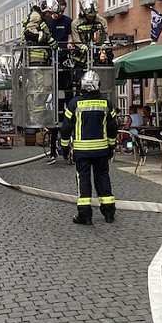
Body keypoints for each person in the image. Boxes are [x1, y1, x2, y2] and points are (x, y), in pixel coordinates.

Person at [60, 70, 118, 225]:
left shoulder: (74, 104)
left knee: (84, 181)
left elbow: (66, 128)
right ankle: (109, 213)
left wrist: (64, 148)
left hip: (82, 152)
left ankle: (85, 215)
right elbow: (113, 128)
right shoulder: (106, 103)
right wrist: (111, 146)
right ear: (98, 85)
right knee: (103, 178)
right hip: (101, 150)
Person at [43, 0, 74, 165]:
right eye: (58, 11)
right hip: (51, 61)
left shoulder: (67, 21)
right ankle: (53, 151)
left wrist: (69, 44)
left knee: (67, 103)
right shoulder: (47, 21)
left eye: (62, 11)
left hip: (63, 60)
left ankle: (68, 150)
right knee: (54, 115)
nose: (60, 13)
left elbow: (70, 36)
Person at [71, 0, 109, 70]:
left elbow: (105, 37)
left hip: (97, 55)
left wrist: (103, 47)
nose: (92, 17)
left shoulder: (101, 21)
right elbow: (77, 40)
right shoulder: (76, 24)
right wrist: (85, 48)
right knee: (78, 78)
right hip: (80, 58)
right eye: (89, 16)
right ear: (83, 13)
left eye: (94, 15)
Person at [22, 0, 58, 65]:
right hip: (35, 55)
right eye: (50, 13)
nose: (50, 16)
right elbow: (29, 33)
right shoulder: (36, 16)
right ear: (45, 10)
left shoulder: (40, 17)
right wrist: (47, 38)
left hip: (39, 55)